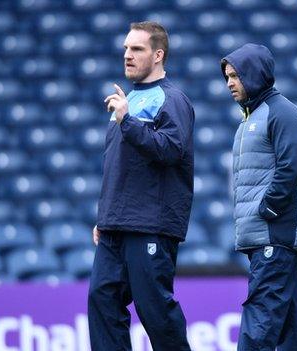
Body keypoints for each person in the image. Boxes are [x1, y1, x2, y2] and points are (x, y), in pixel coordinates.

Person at [88, 21, 194, 351]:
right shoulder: (127, 101)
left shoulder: (173, 100)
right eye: (125, 49)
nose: (127, 55)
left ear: (158, 55)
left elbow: (169, 150)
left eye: (137, 49)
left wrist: (127, 121)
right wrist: (104, 216)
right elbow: (117, 166)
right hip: (115, 224)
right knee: (101, 300)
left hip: (150, 223)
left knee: (155, 311)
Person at [221, 43, 297, 351]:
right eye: (227, 77)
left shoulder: (281, 112)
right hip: (267, 237)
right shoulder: (251, 117)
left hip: (273, 236)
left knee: (259, 323)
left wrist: (268, 209)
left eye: (235, 76)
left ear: (254, 74)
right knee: (293, 330)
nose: (230, 84)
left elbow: (291, 167)